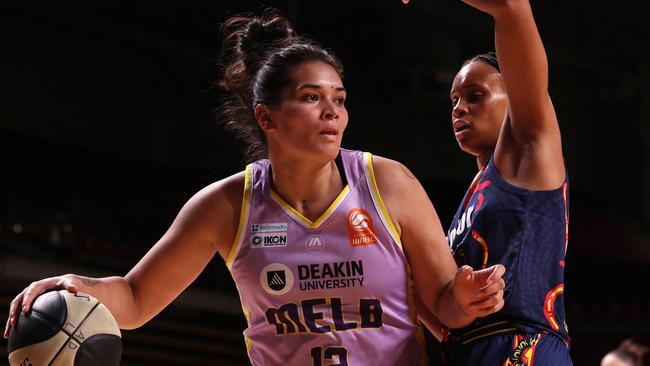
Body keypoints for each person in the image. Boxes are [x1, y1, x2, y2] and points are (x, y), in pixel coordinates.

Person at [4, 8, 506, 366]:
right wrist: (81, 286)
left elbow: (446, 307)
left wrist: (466, 296)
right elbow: (135, 299)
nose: (332, 111)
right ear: (266, 116)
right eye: (312, 98)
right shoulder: (226, 206)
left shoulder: (387, 182)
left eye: (339, 97)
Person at [418, 0, 572, 364]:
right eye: (454, 100)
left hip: (522, 347)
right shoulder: (472, 195)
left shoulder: (533, 146)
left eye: (475, 96)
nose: (458, 108)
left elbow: (513, 7)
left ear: (514, 97)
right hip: (468, 351)